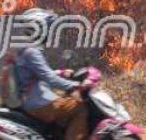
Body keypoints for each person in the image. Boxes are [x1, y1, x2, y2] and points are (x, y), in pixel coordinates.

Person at [14, 8, 89, 140]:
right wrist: (75, 86)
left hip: (31, 101)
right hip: (39, 104)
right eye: (47, 29)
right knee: (80, 108)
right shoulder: (32, 51)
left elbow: (39, 74)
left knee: (64, 103)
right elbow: (49, 78)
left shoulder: (25, 48)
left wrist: (61, 72)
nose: (48, 33)